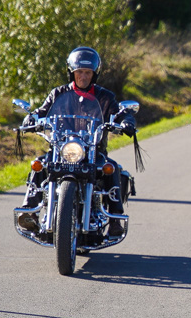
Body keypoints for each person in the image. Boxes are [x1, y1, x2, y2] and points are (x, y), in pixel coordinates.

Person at [17, 47, 136, 235]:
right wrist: (31, 119)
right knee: (39, 165)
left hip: (93, 152)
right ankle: (29, 211)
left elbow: (118, 113)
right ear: (72, 72)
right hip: (62, 149)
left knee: (111, 169)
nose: (83, 76)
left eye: (87, 72)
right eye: (79, 72)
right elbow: (42, 111)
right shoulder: (57, 94)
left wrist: (126, 121)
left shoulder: (105, 97)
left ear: (94, 74)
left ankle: (114, 220)